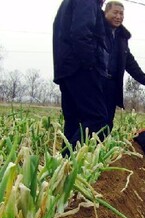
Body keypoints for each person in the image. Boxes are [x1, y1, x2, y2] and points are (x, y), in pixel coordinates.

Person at [53, 0, 109, 153]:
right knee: (97, 119)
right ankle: (69, 160)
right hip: (81, 69)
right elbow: (81, 34)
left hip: (66, 69)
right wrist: (90, 63)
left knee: (74, 121)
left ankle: (62, 170)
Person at [104, 1, 145, 131]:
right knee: (93, 119)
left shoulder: (122, 37)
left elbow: (129, 62)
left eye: (121, 14)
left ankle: (101, 148)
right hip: (96, 83)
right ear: (106, 12)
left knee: (107, 121)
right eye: (115, 12)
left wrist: (144, 78)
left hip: (112, 85)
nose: (118, 17)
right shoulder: (98, 31)